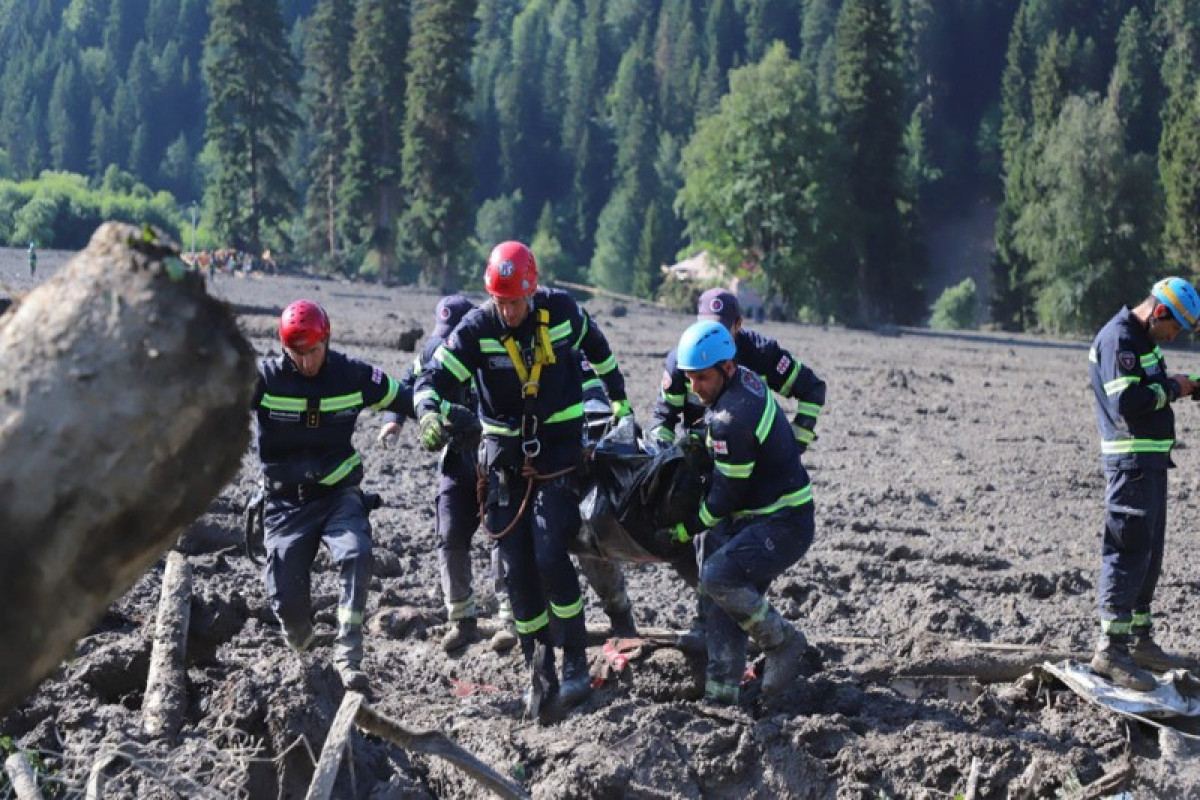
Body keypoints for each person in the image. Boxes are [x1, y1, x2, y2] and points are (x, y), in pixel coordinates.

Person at [414, 241, 634, 714]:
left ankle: (574, 660)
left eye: (515, 301)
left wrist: (618, 398)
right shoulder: (476, 329)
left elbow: (600, 349)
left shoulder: (563, 314)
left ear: (532, 293)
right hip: (504, 458)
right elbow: (432, 379)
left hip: (557, 453)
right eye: (500, 301)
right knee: (514, 566)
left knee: (549, 551)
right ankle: (539, 666)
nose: (508, 310)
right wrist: (428, 413)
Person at [253, 299, 412, 691]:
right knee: (288, 607)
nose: (307, 362)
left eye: (314, 351)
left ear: (327, 340)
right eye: (297, 354)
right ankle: (305, 647)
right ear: (284, 349)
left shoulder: (352, 375)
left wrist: (406, 419)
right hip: (285, 501)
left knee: (356, 553)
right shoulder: (264, 379)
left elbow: (403, 394)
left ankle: (348, 655)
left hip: (338, 493)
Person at [667, 320, 814, 706]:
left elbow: (724, 497)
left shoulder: (731, 418)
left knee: (718, 574)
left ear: (726, 369)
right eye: (689, 378)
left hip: (784, 521)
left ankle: (782, 641)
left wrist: (685, 530)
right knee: (720, 596)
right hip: (761, 514)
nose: (694, 388)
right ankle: (721, 698)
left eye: (701, 378)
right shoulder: (741, 381)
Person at [379, 295, 515, 652]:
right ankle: (462, 618)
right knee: (450, 531)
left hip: (497, 455)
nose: (448, 341)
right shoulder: (432, 352)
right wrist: (393, 422)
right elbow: (407, 385)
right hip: (457, 456)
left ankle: (511, 618)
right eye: (444, 333)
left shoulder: (493, 351)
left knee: (502, 533)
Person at [1087, 277, 1200, 690]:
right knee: (1128, 551)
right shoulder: (1119, 340)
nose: (1175, 338)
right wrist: (1173, 387)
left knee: (1149, 554)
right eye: (1176, 328)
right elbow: (1128, 401)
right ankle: (1111, 651)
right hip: (1130, 463)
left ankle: (1139, 639)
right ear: (1159, 313)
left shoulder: (1144, 341)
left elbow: (1150, 390)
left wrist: (1185, 386)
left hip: (1150, 461)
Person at [649, 289, 825, 453]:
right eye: (706, 329)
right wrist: (661, 454)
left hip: (753, 458)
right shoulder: (681, 362)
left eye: (721, 330)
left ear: (738, 324)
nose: (712, 338)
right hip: (700, 453)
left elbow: (812, 389)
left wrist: (794, 444)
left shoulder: (761, 353)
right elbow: (663, 417)